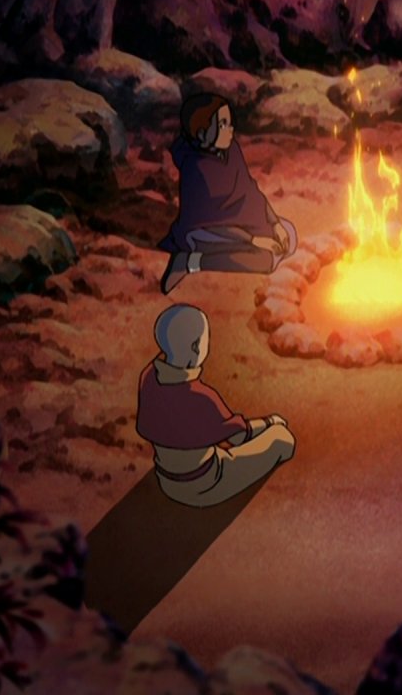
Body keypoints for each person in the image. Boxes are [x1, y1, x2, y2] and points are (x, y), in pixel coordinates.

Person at [136, 304, 296, 507]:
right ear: (196, 347)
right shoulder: (199, 397)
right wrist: (269, 422)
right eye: (206, 339)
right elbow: (239, 437)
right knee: (281, 439)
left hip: (165, 480)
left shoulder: (149, 376)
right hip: (205, 484)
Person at [158, 93, 298, 295]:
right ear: (203, 133)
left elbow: (250, 190)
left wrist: (275, 223)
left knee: (288, 235)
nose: (230, 129)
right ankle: (191, 262)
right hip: (207, 232)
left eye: (230, 123)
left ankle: (257, 243)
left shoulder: (231, 150)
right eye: (223, 124)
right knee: (264, 260)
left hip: (242, 225)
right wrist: (252, 239)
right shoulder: (196, 167)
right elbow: (211, 222)